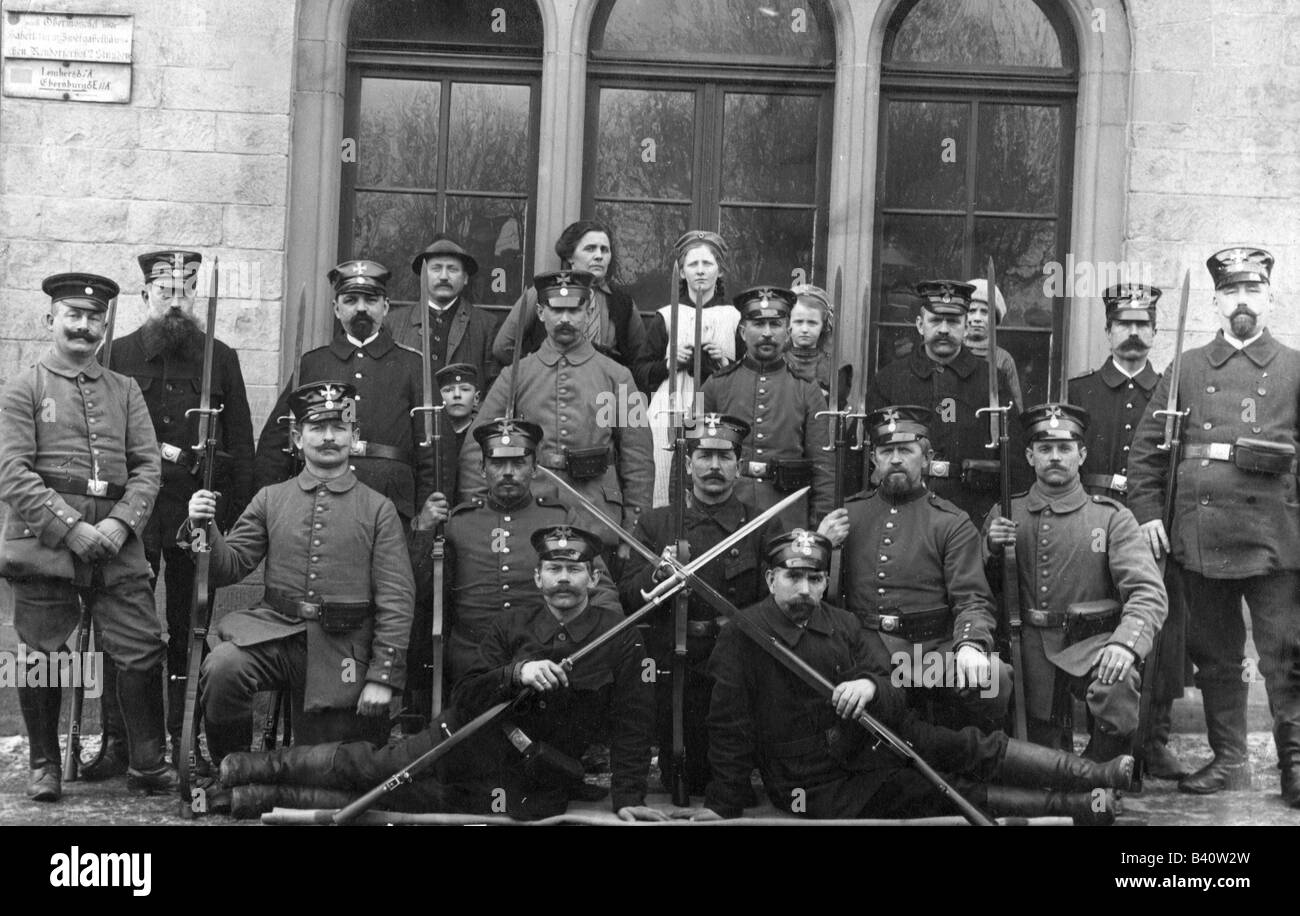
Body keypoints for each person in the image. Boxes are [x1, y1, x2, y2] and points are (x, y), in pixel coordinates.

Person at [215, 526, 665, 823]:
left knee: (398, 800)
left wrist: (629, 802)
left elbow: (633, 725)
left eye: (574, 570)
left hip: (531, 777)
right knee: (375, 767)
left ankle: (257, 800)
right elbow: (467, 692)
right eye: (554, 569)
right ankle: (245, 770)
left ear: (592, 579)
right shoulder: (511, 625)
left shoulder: (618, 637)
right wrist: (516, 672)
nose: (564, 579)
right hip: (464, 738)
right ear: (538, 577)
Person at [700, 531, 1132, 823]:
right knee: (940, 789)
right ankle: (1082, 806)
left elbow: (890, 683)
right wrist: (724, 802)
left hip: (878, 731)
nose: (805, 591)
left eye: (815, 579)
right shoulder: (743, 635)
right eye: (793, 577)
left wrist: (869, 686)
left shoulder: (843, 622)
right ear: (771, 578)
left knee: (972, 746)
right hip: (818, 778)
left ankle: (1097, 774)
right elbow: (728, 727)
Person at [1128, 247, 1300, 806]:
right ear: (1217, 301)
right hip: (1200, 536)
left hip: (1276, 535)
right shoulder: (1187, 367)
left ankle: (1295, 764)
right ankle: (1228, 760)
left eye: (1253, 291)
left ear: (1268, 298)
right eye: (1232, 292)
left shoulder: (1296, 367)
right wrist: (1151, 514)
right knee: (1217, 656)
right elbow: (1147, 453)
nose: (1242, 301)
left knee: (1285, 654)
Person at [78, 250, 256, 779]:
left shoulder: (219, 357)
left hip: (193, 512)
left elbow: (241, 446)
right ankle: (120, 741)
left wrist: (228, 517)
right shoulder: (115, 353)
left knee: (189, 627)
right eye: (164, 290)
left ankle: (185, 740)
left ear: (195, 296)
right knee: (120, 629)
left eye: (184, 290)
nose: (174, 300)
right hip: (130, 513)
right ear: (145, 297)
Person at [0, 273, 175, 800]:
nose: (82, 325)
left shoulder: (125, 390)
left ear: (104, 326)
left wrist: (121, 523)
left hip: (116, 545)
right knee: (40, 654)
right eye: (71, 315)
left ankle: (146, 762)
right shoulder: (24, 387)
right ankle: (44, 764)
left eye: (93, 317)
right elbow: (12, 471)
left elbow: (148, 468)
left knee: (142, 647)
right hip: (45, 544)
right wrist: (70, 528)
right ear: (50, 319)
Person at [190, 381, 414, 783]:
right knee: (223, 667)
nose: (328, 437)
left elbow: (397, 600)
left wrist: (383, 676)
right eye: (316, 428)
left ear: (354, 436)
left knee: (328, 775)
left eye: (340, 427)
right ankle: (233, 773)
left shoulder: (379, 510)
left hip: (343, 648)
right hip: (275, 633)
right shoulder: (271, 499)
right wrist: (202, 528)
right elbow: (230, 566)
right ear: (297, 438)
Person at [984, 403, 1167, 761]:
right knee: (1039, 757)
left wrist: (1126, 645)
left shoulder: (1111, 517)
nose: (1055, 457)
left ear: (1081, 454)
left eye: (1065, 448)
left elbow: (1147, 593)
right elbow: (980, 591)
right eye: (1045, 449)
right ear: (1029, 456)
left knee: (1117, 685)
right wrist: (991, 549)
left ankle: (1105, 771)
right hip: (1026, 646)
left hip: (1090, 643)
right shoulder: (1006, 513)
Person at [619, 414, 782, 794]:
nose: (713, 466)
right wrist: (657, 574)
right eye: (703, 455)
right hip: (673, 662)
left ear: (738, 467)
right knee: (681, 777)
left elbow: (773, 603)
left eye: (724, 457)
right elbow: (627, 595)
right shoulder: (657, 524)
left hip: (735, 662)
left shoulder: (760, 526)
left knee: (729, 776)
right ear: (687, 463)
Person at [1068, 283, 1189, 779]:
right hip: (1095, 519)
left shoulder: (1174, 394)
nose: (1134, 333)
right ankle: (1105, 739)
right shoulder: (1078, 392)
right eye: (1125, 324)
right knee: (1101, 622)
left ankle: (1153, 741)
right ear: (1108, 330)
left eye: (1143, 325)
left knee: (1162, 628)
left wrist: (1155, 517)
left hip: (1157, 525)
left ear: (1156, 331)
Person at [413, 417, 623, 687]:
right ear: (482, 468)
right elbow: (423, 590)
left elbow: (599, 587)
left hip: (543, 660)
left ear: (534, 468)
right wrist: (424, 530)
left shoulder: (560, 519)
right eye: (498, 463)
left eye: (519, 462)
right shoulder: (457, 522)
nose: (508, 472)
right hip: (472, 662)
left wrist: (614, 641)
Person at [460, 270, 653, 554]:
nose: (565, 319)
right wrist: (479, 513)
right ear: (540, 312)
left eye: (574, 310)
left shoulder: (617, 376)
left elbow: (638, 458)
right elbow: (476, 449)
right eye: (557, 309)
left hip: (598, 516)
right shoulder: (515, 375)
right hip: (530, 511)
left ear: (588, 312)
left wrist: (632, 530)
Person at [841, 405, 1009, 731]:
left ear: (926, 456)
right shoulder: (848, 514)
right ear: (873, 459)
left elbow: (973, 599)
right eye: (886, 450)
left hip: (924, 659)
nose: (896, 459)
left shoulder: (950, 521)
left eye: (906, 449)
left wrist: (971, 645)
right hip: (860, 657)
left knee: (993, 677)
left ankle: (972, 764)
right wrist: (824, 542)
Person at [253, 259, 446, 524]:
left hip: (393, 502)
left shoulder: (413, 365)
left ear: (385, 306)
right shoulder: (313, 364)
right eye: (351, 300)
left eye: (371, 300)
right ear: (336, 308)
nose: (361, 308)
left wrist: (424, 515)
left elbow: (433, 451)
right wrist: (270, 507)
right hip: (320, 498)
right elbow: (275, 444)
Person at [866, 280, 1027, 524]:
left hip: (973, 510)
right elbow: (869, 456)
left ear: (965, 326)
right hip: (903, 509)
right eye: (935, 320)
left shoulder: (991, 381)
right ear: (920, 325)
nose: (944, 329)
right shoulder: (890, 379)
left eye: (952, 321)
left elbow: (1013, 456)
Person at [701, 287, 833, 528]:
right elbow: (688, 453)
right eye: (758, 324)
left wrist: (818, 530)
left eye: (775, 324)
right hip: (725, 514)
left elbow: (823, 468)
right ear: (742, 331)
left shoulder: (807, 390)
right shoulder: (715, 385)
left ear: (788, 331)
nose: (767, 333)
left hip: (786, 515)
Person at [637, 230, 741, 507]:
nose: (700, 271)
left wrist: (725, 361)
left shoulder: (734, 317)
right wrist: (670, 363)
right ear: (681, 273)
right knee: (665, 476)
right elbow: (641, 370)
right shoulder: (667, 315)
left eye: (707, 264)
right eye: (692, 265)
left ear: (720, 272)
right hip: (671, 405)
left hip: (717, 407)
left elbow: (745, 370)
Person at [491, 219, 648, 370]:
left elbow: (640, 358)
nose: (599, 255)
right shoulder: (543, 293)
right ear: (570, 256)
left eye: (604, 250)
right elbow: (503, 346)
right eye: (590, 248)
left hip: (603, 390)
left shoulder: (623, 302)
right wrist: (534, 374)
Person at [386, 234, 500, 393]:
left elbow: (495, 389)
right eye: (436, 268)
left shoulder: (486, 326)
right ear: (423, 275)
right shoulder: (393, 323)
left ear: (465, 278)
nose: (444, 276)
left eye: (452, 269)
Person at [787, 283, 851, 408]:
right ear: (788, 323)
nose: (804, 329)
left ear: (824, 326)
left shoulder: (835, 370)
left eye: (812, 323)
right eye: (798, 322)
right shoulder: (775, 362)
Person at [964, 278, 1023, 411]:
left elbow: (1015, 408)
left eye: (984, 312)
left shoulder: (1003, 359)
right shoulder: (952, 352)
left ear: (994, 320)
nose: (977, 318)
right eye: (972, 311)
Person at [434, 362, 480, 454]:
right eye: (448, 390)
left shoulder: (481, 435)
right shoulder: (434, 435)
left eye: (465, 389)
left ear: (476, 398)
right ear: (438, 398)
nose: (457, 395)